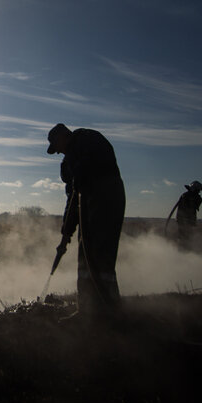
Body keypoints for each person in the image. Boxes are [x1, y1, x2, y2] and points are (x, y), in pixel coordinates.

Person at [47, 123, 125, 320]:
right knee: (84, 256)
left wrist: (82, 171)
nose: (58, 153)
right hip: (87, 205)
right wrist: (66, 233)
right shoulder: (68, 164)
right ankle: (87, 311)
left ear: (63, 137)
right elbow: (72, 201)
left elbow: (96, 162)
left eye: (57, 147)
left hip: (108, 200)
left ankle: (111, 311)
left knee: (101, 256)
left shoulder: (88, 138)